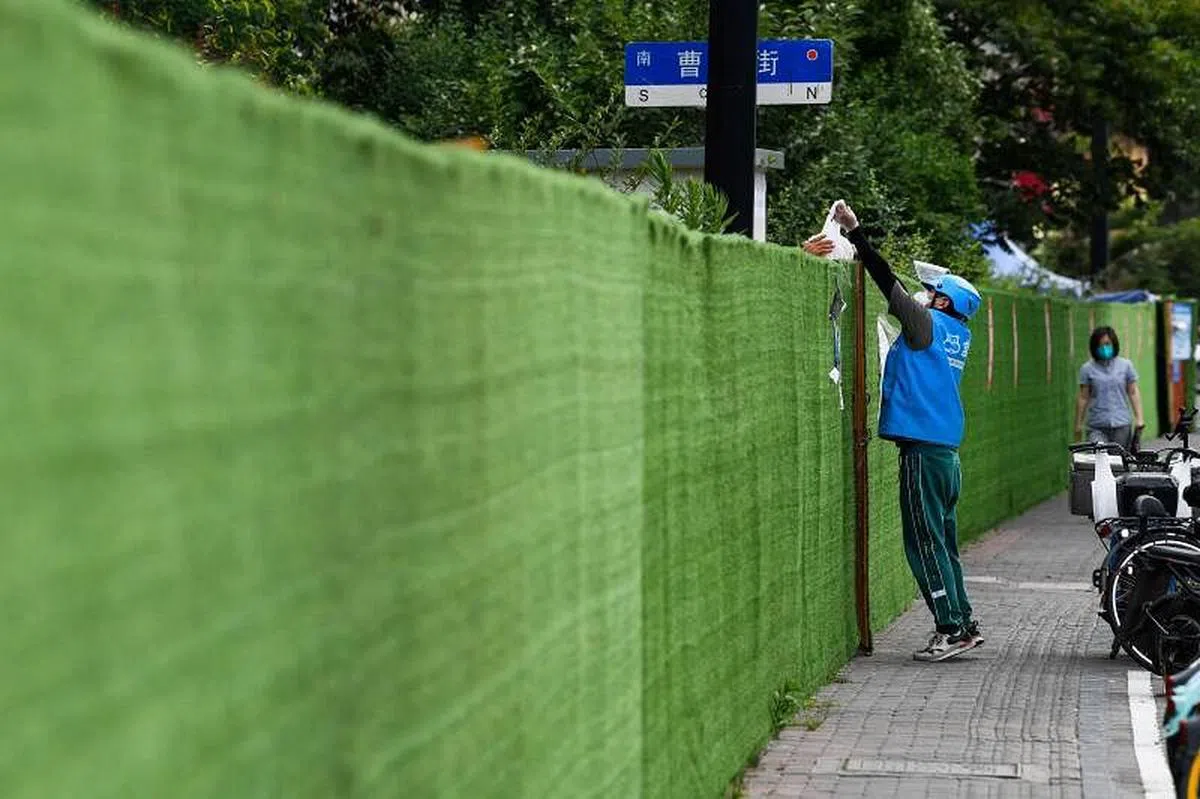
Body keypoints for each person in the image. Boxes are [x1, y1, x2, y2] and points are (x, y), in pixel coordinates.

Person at [806, 202, 983, 663]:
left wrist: (856, 233)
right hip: (945, 453)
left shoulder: (926, 324)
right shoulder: (957, 334)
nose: (923, 294)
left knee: (923, 543)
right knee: (943, 542)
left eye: (932, 291)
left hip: (923, 451)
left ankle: (950, 629)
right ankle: (963, 621)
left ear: (942, 302)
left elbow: (885, 279)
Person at [1075, 327, 1145, 452]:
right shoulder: (1087, 369)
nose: (1104, 348)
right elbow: (1083, 397)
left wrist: (1139, 418)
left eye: (1107, 344)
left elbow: (1133, 392)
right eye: (1100, 345)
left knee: (1118, 459)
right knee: (1099, 455)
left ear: (1114, 344)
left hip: (1121, 424)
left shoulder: (1126, 366)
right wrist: (1078, 423)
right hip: (1097, 425)